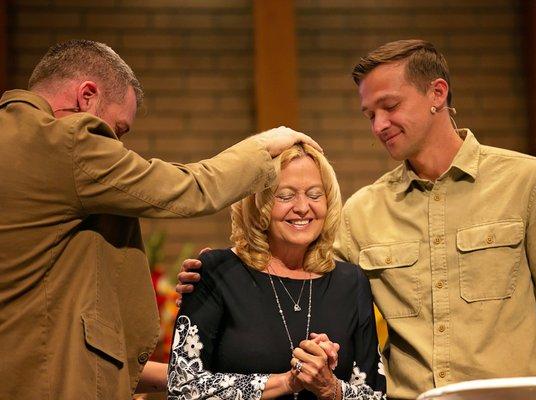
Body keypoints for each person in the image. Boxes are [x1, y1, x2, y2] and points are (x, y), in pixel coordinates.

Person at [178, 39, 536, 399]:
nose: (379, 125)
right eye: (369, 114)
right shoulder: (362, 211)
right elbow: (293, 266)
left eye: (390, 106)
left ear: (437, 93)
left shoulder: (530, 181)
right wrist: (216, 274)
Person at [0, 39, 321, 400]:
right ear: (86, 96)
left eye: (314, 194)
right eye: (117, 132)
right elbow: (187, 189)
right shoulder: (65, 141)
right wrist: (264, 146)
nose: (117, 148)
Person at [168, 144, 386, 400]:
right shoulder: (216, 272)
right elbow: (182, 387)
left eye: (315, 195)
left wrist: (331, 388)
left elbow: (374, 396)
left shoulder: (351, 282)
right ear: (257, 203)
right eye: (285, 196)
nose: (303, 207)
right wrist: (288, 381)